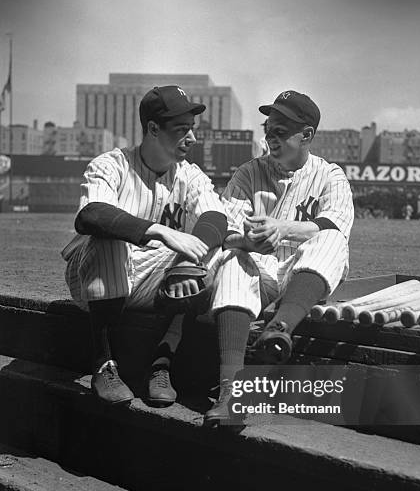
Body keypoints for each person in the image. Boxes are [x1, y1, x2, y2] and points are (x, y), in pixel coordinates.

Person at [61, 85, 230, 407]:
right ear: (153, 129)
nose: (191, 138)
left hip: (153, 278)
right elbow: (91, 215)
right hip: (94, 277)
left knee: (212, 252)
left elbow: (216, 217)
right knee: (107, 239)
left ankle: (162, 361)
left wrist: (186, 262)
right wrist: (159, 231)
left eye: (191, 129)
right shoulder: (112, 164)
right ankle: (103, 364)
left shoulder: (189, 175)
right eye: (181, 130)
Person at [203, 90, 354, 425]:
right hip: (258, 270)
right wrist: (247, 241)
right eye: (268, 129)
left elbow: (335, 225)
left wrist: (282, 228)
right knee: (231, 257)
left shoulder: (330, 175)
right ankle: (231, 390)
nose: (271, 137)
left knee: (331, 239)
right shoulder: (248, 172)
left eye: (281, 131)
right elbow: (224, 229)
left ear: (307, 135)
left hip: (302, 273)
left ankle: (279, 328)